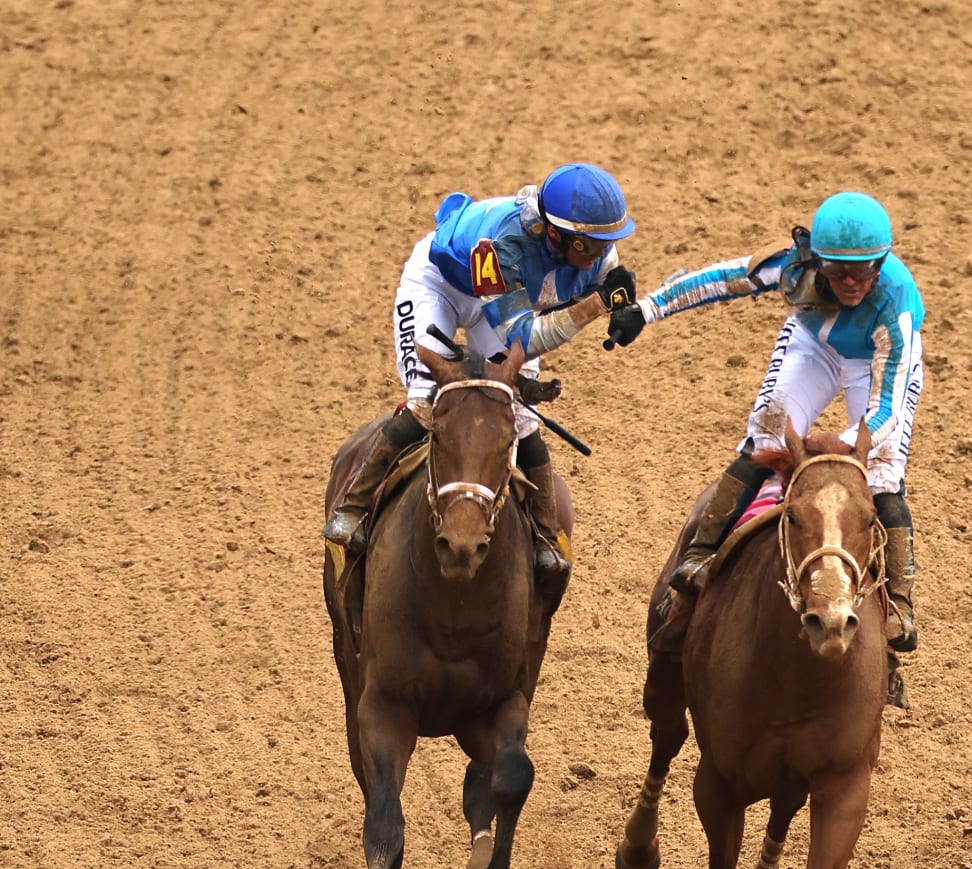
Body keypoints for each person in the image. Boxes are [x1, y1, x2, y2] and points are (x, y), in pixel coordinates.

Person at [606, 190, 926, 653]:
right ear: (816, 259)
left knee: (881, 471)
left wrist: (836, 446)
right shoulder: (793, 266)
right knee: (766, 434)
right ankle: (699, 555)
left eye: (865, 271)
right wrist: (649, 309)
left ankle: (899, 604)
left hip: (877, 363)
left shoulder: (895, 308)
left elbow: (885, 413)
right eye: (836, 271)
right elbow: (724, 279)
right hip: (813, 344)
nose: (851, 282)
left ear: (884, 263)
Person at [322, 162, 638, 578]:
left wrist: (626, 310)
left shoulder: (591, 244)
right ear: (557, 235)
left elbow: (608, 280)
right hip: (442, 288)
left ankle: (545, 533)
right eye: (590, 246)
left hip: (508, 298)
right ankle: (353, 507)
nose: (601, 253)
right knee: (424, 399)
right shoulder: (500, 245)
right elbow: (525, 336)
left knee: (522, 418)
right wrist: (596, 305)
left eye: (605, 243)